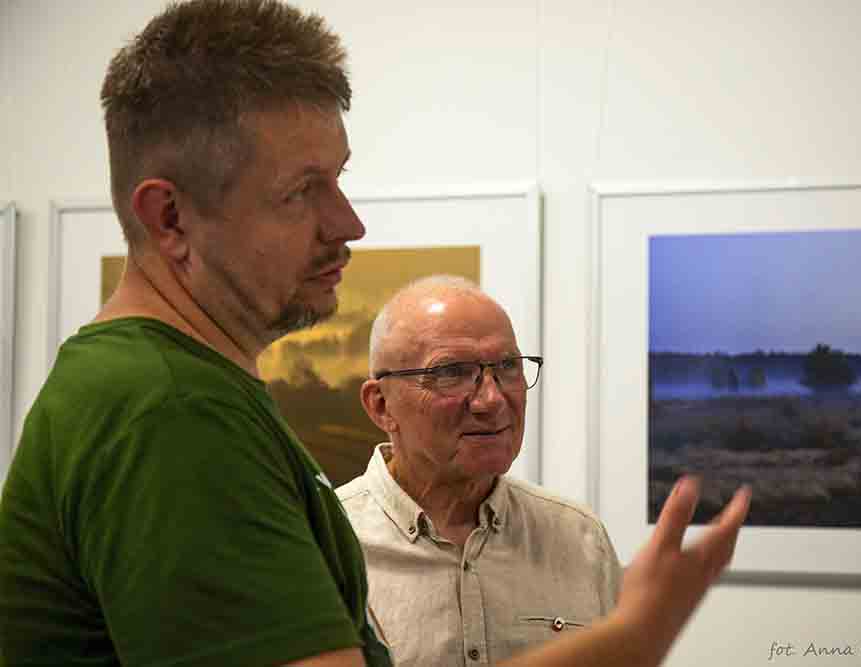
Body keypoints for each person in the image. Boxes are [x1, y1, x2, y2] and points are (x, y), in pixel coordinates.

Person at [0, 1, 750, 666]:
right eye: (303, 190)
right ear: (171, 219)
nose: (349, 223)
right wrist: (631, 637)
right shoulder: (169, 409)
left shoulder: (158, 387)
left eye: (340, 178)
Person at [338, 277, 621, 666]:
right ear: (382, 405)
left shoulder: (579, 537)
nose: (492, 399)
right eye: (451, 372)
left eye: (507, 367)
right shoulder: (328, 545)